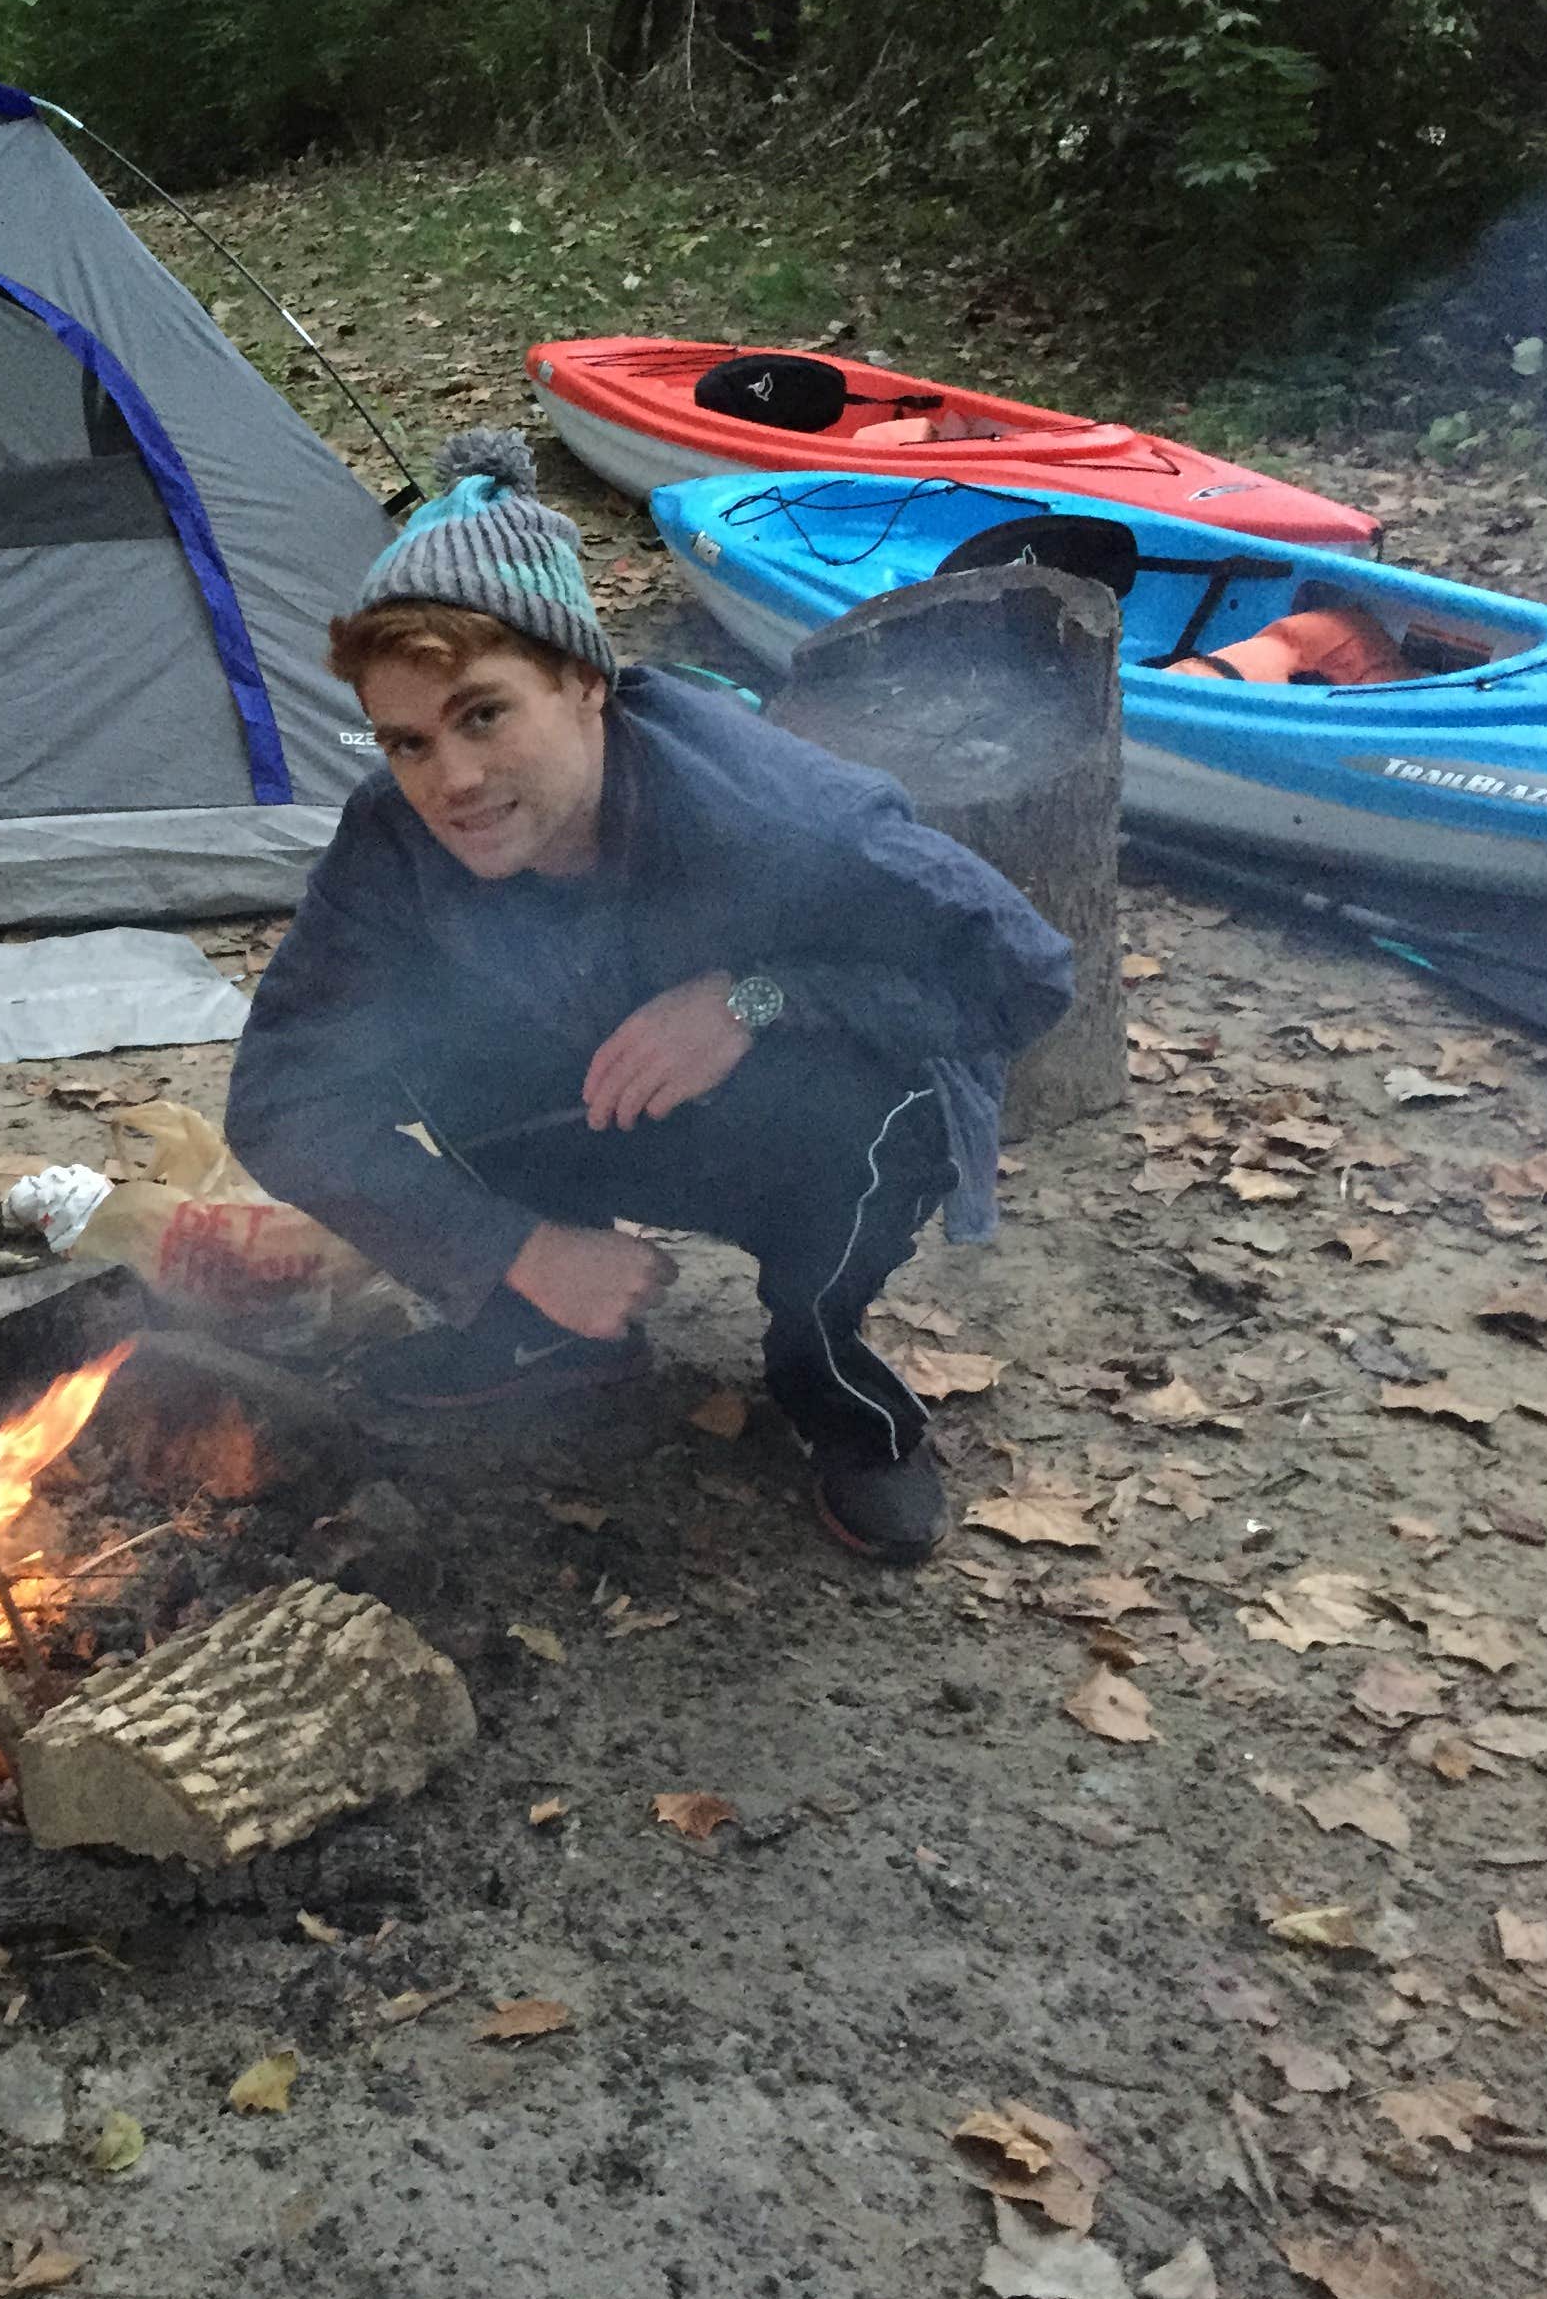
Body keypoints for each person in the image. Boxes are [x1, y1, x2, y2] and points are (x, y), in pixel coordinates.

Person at [225, 431, 1073, 1561]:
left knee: (880, 1097)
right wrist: (515, 1245)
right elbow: (282, 1100)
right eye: (408, 741)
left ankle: (835, 1388)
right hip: (582, 1093)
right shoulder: (393, 841)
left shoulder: (784, 813)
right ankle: (550, 1323)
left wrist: (756, 1000)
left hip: (802, 1106)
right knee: (420, 1025)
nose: (453, 781)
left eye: (484, 714)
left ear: (585, 684)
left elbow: (1020, 975)